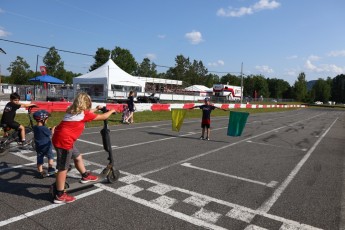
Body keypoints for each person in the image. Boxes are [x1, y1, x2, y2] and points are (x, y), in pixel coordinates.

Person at [52, 92, 116, 204]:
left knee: (78, 157)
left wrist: (96, 108)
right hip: (64, 142)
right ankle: (60, 195)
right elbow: (104, 117)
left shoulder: (72, 111)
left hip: (62, 138)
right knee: (63, 168)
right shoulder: (83, 114)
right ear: (86, 103)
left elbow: (87, 113)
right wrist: (112, 111)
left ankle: (85, 176)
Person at [32, 110, 56, 179]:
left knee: (40, 157)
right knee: (50, 156)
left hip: (38, 146)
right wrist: (53, 129)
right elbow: (51, 134)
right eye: (46, 119)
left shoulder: (35, 127)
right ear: (42, 120)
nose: (47, 120)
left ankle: (40, 171)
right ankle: (50, 169)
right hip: (46, 146)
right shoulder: (44, 128)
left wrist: (48, 128)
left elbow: (43, 130)